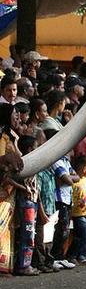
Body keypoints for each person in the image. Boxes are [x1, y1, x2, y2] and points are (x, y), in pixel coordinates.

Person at [0, 103, 22, 276]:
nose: (18, 117)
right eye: (14, 114)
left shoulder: (10, 136)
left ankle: (6, 265)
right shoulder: (2, 139)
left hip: (9, 189)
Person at [50, 138, 79, 270]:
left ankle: (61, 256)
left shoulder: (66, 162)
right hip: (59, 199)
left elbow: (75, 178)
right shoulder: (56, 161)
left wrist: (68, 178)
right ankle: (55, 256)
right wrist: (69, 178)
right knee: (60, 229)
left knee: (65, 230)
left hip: (67, 199)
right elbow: (68, 179)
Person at [15, 134, 40, 276]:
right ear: (30, 149)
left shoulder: (31, 162)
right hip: (27, 202)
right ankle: (24, 265)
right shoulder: (24, 163)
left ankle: (26, 264)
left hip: (31, 201)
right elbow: (10, 178)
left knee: (29, 233)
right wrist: (24, 188)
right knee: (28, 234)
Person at [68, 155, 86, 265]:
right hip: (79, 214)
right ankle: (72, 255)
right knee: (80, 235)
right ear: (84, 169)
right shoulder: (75, 181)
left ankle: (83, 256)